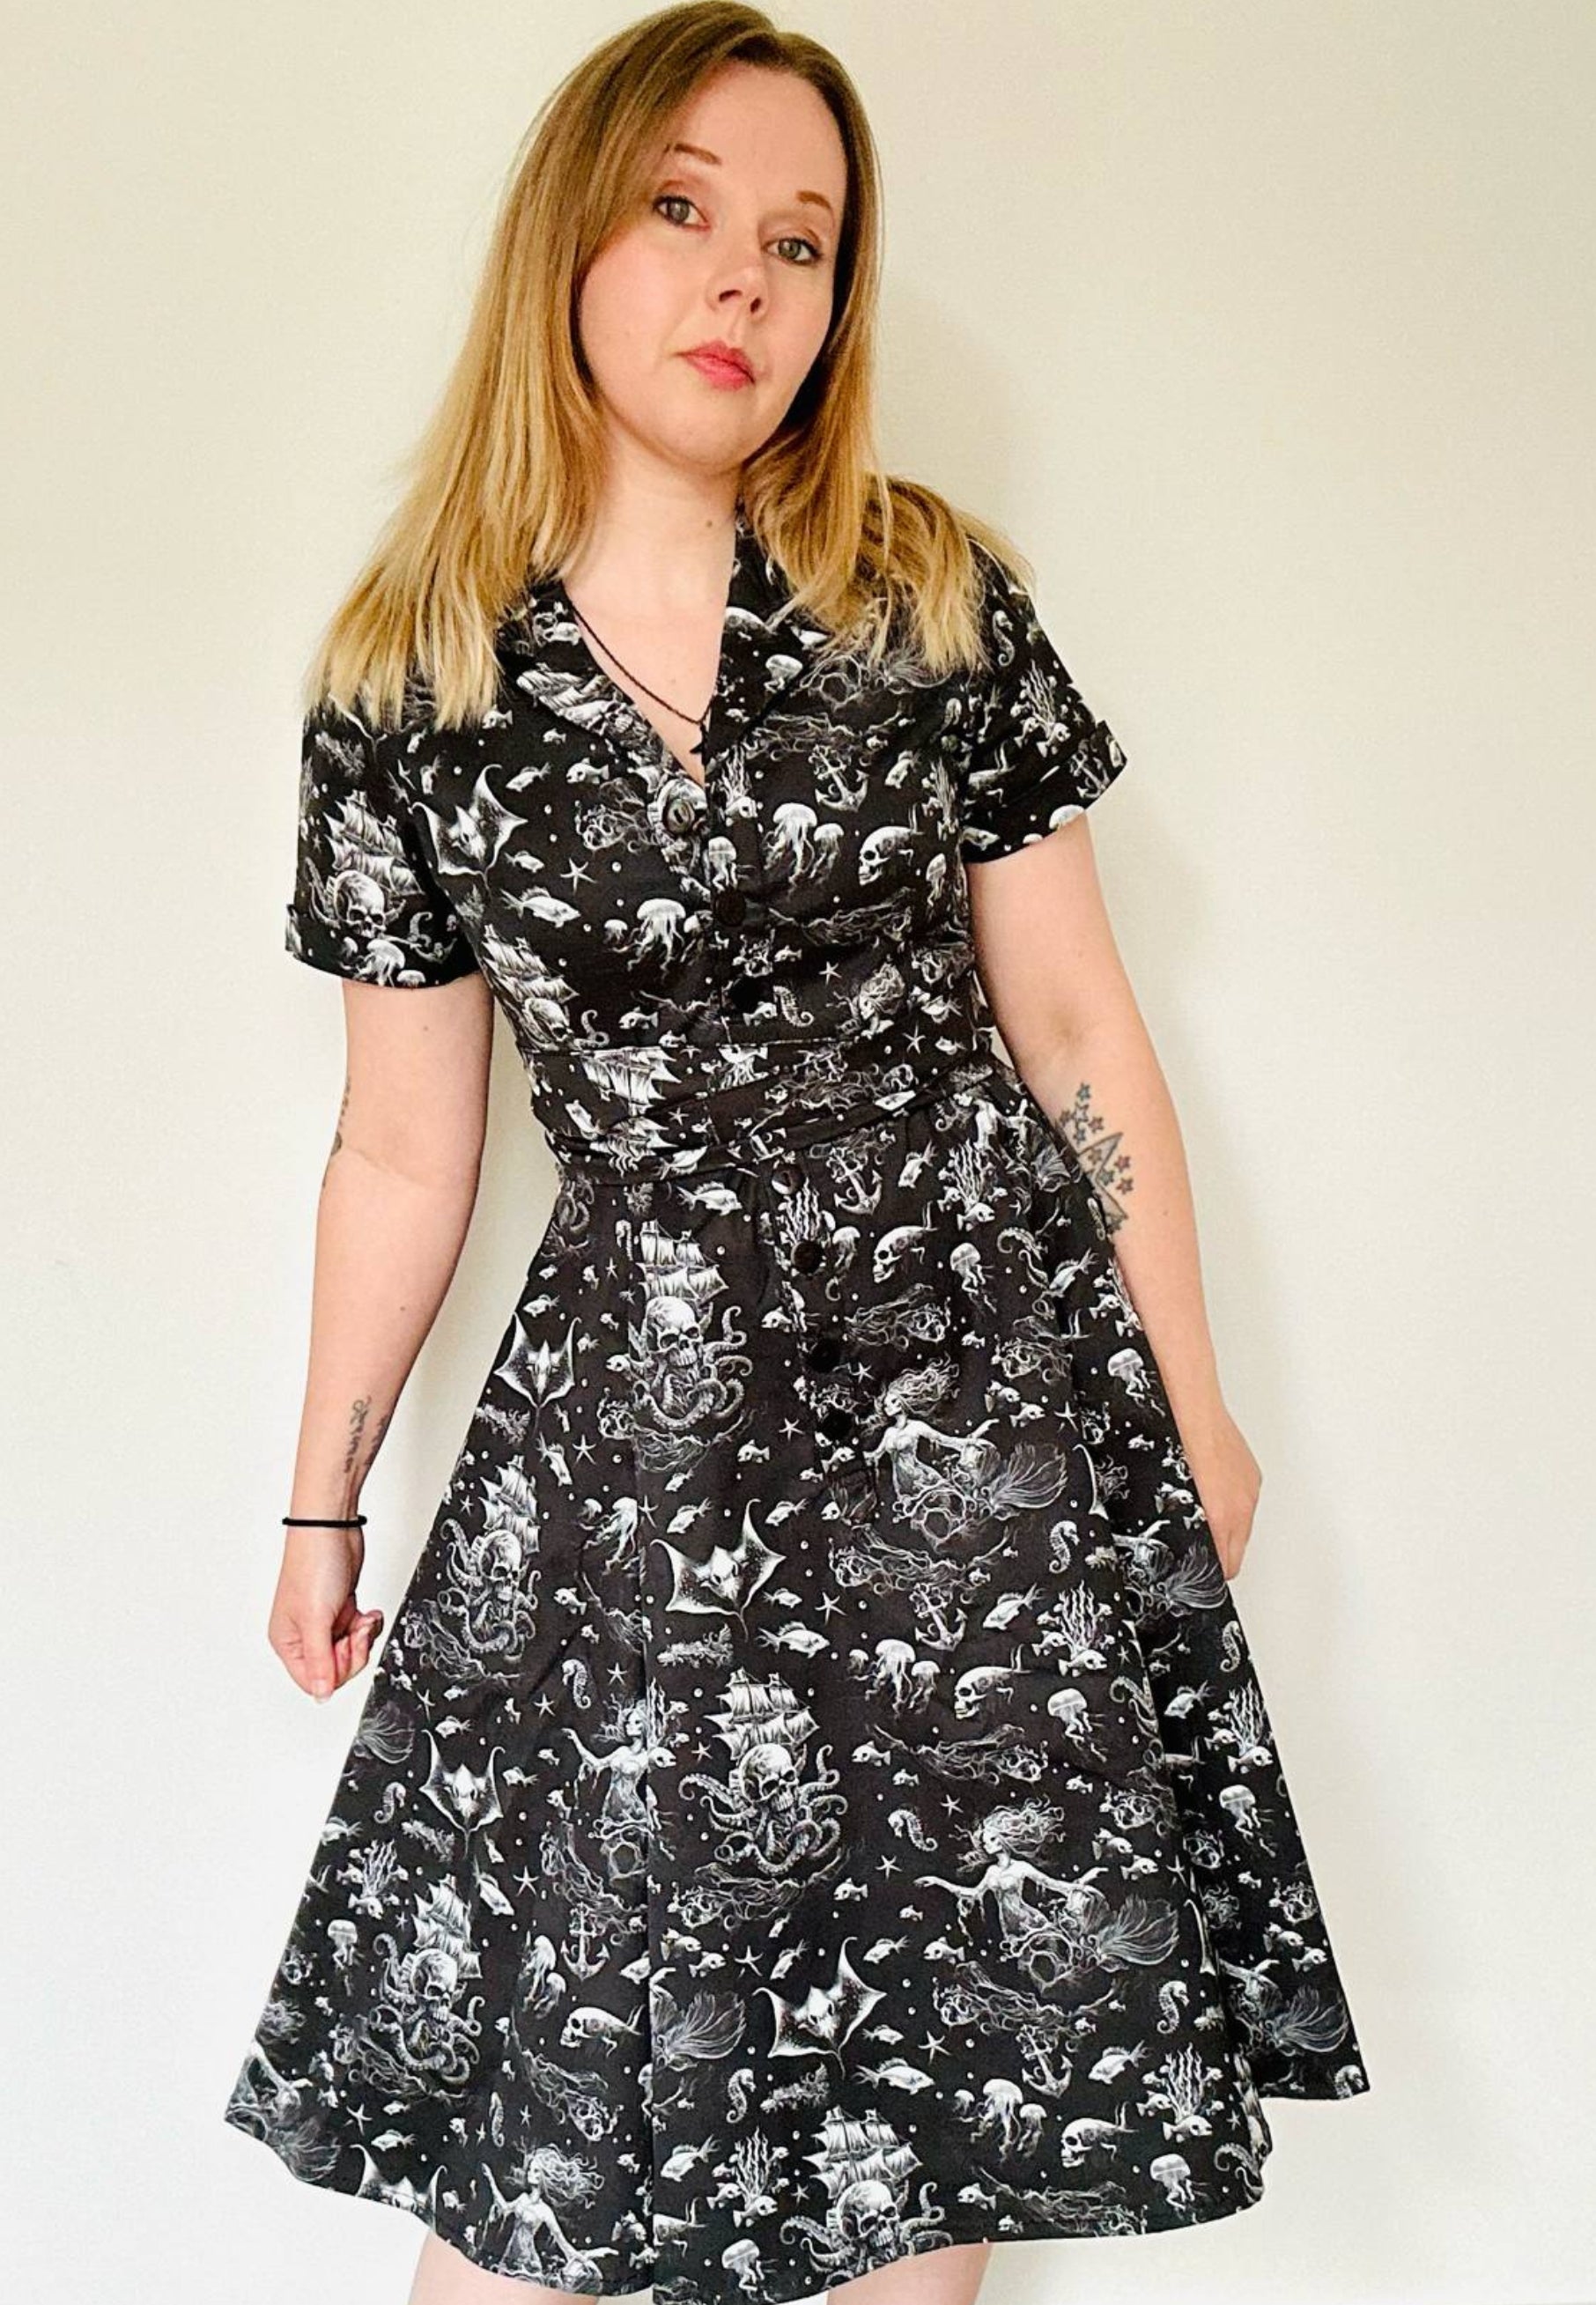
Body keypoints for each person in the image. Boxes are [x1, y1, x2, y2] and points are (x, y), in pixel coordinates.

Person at [222, 7, 1371, 2303]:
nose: (739, 280)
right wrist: (326, 1487)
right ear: (570, 236)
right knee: (546, 2121)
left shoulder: (921, 590)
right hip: (629, 1449)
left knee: (915, 2104)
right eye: (679, 209)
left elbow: (1069, 1025)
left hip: (967, 1409)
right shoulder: (414, 673)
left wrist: (1189, 1392)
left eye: (798, 240)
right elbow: (400, 1151)